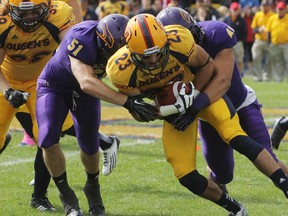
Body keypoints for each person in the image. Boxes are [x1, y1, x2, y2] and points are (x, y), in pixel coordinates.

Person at [106, 13, 288, 215]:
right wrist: (160, 111)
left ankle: (284, 185)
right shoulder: (120, 70)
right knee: (184, 173)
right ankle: (235, 208)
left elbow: (208, 66)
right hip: (173, 112)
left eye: (158, 52)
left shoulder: (179, 39)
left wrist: (193, 99)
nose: (154, 60)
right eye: (146, 56)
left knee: (235, 135)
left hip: (202, 96)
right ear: (131, 52)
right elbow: (139, 112)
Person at [0, 0, 119, 213]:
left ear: (46, 7)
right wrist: (8, 91)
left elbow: (74, 51)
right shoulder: (3, 21)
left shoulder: (59, 14)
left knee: (45, 136)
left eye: (35, 11)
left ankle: (40, 196)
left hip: (43, 80)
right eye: (24, 13)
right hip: (6, 79)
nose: (29, 17)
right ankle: (103, 144)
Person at [35, 14, 159, 216]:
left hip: (87, 92)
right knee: (48, 138)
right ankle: (66, 193)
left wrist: (152, 105)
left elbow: (134, 90)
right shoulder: (82, 35)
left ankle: (92, 187)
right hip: (54, 86)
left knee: (90, 143)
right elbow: (86, 81)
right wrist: (127, 103)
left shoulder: (130, 48)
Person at [157, 6, 288, 192]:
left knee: (268, 157)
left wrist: (195, 106)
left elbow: (223, 80)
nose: (191, 42)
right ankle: (225, 196)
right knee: (223, 174)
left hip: (240, 102)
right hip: (210, 115)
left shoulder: (215, 33)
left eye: (191, 35)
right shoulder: (164, 57)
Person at [251, 0, 274, 82]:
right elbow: (253, 28)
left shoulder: (273, 15)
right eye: (263, 5)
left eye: (266, 5)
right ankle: (258, 77)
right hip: (259, 40)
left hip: (269, 40)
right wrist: (258, 30)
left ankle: (267, 77)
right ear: (261, 6)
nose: (264, 7)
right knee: (256, 57)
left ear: (269, 6)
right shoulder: (258, 15)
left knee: (269, 59)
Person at [266, 1, 288, 82]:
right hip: (275, 44)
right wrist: (269, 44)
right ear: (276, 9)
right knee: (278, 62)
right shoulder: (272, 18)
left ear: (285, 9)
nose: (280, 11)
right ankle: (279, 79)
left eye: (282, 9)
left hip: (286, 44)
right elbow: (268, 32)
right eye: (279, 9)